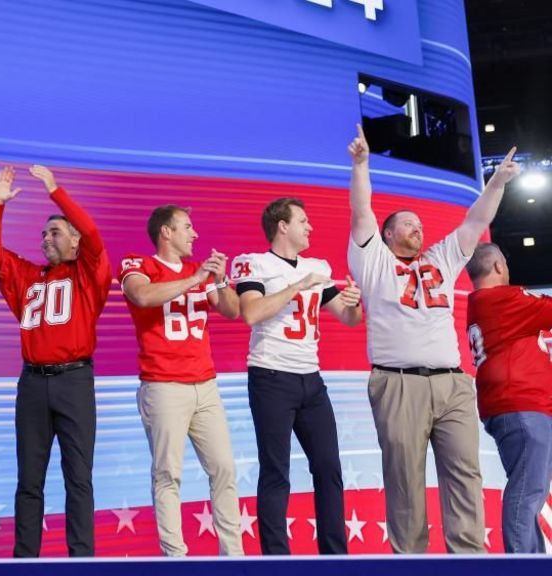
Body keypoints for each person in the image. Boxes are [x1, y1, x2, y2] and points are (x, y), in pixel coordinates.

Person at [346, 124, 520, 553]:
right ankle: (411, 561)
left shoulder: (441, 256)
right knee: (404, 479)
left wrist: (495, 183)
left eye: (419, 224)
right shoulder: (372, 262)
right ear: (386, 235)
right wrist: (362, 166)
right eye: (407, 224)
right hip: (398, 381)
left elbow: (478, 219)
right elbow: (362, 212)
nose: (417, 228)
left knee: (465, 472)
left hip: (452, 382)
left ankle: (470, 559)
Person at [0, 165, 110, 557]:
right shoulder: (27, 276)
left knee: (78, 478)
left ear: (73, 242)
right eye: (43, 234)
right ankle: (24, 560)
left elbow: (91, 232)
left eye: (55, 232)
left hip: (74, 381)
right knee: (29, 480)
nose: (45, 238)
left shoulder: (88, 273)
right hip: (33, 384)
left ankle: (82, 559)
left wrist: (56, 192)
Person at [231, 198, 362, 555]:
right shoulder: (254, 262)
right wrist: (297, 285)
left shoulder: (318, 266)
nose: (311, 227)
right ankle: (277, 559)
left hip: (311, 378)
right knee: (276, 471)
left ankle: (335, 556)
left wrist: (353, 300)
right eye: (303, 221)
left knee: (328, 467)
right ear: (282, 225)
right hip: (271, 375)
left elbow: (349, 319)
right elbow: (251, 313)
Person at [119, 204, 243, 556]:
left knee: (224, 468)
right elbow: (142, 295)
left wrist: (217, 277)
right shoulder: (138, 264)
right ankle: (176, 557)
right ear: (166, 232)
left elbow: (232, 311)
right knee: (167, 473)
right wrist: (195, 279)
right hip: (163, 384)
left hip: (205, 384)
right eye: (187, 227)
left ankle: (233, 556)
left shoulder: (198, 271)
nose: (195, 234)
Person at [465, 242, 552, 553]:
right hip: (522, 404)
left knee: (531, 488)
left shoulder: (482, 303)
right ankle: (522, 565)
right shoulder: (504, 299)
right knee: (528, 490)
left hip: (514, 405)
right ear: (499, 267)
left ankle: (531, 561)